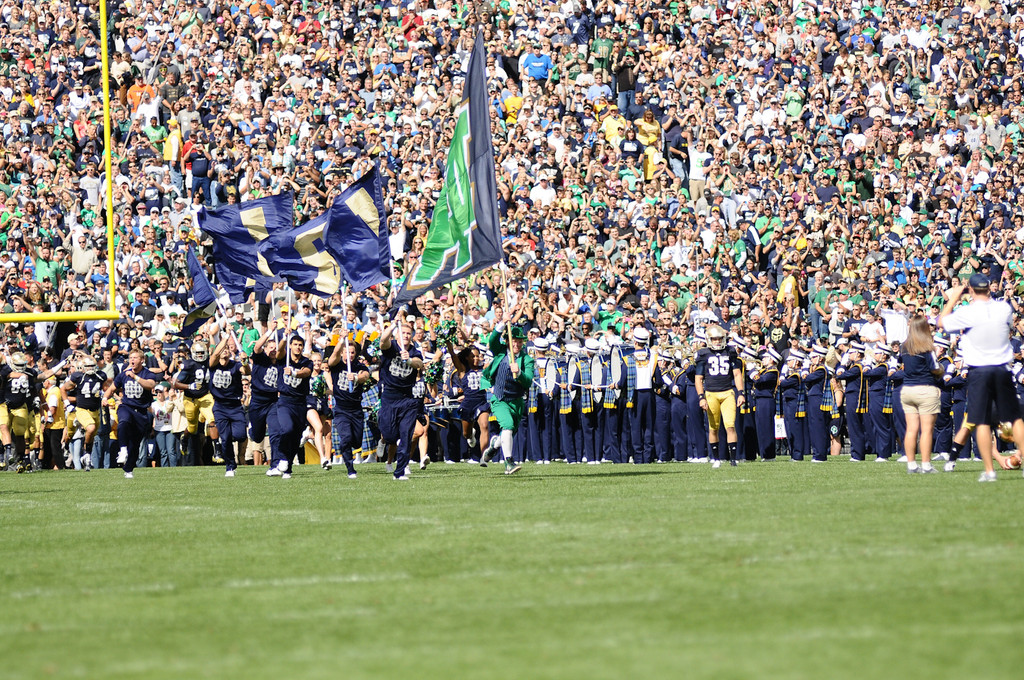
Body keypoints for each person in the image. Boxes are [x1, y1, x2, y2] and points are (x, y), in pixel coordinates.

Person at [939, 274, 1024, 482]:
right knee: (1015, 419)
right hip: (1003, 368)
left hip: (979, 370)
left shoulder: (967, 311)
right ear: (988, 288)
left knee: (982, 422)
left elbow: (941, 322)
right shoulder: (1004, 308)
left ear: (971, 290)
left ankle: (989, 471)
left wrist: (955, 296)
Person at [479, 320, 535, 475]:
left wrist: (520, 373)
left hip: (517, 402)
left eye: (519, 342)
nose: (516, 344)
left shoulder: (527, 360)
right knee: (508, 425)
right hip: (499, 399)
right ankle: (509, 463)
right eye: (514, 341)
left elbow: (528, 381)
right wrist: (502, 323)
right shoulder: (501, 352)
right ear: (508, 341)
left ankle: (494, 445)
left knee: (508, 432)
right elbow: (492, 340)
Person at [377, 320, 424, 481]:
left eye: (408, 333)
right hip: (390, 397)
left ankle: (400, 472)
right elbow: (383, 341)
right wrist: (392, 326)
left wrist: (409, 360)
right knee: (390, 436)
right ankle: (384, 438)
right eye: (402, 333)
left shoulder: (414, 351)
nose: (405, 335)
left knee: (406, 436)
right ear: (396, 335)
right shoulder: (391, 348)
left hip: (407, 399)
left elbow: (419, 363)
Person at [103, 349, 160, 479]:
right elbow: (112, 388)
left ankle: (128, 469)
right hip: (126, 406)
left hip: (141, 411)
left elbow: (150, 385)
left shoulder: (147, 373)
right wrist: (105, 398)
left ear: (142, 360)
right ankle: (122, 450)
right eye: (131, 358)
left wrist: (135, 377)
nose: (132, 360)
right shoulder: (123, 374)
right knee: (123, 422)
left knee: (135, 444)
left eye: (135, 358)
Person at [695, 325, 745, 467]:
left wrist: (741, 393)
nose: (717, 341)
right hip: (711, 393)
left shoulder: (730, 351)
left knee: (730, 426)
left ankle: (733, 459)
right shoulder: (703, 354)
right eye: (714, 339)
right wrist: (701, 397)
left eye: (719, 338)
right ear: (709, 339)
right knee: (713, 428)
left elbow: (736, 374)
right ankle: (716, 459)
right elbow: (698, 378)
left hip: (728, 392)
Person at [899, 315, 943, 474]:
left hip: (907, 390)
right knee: (926, 430)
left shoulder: (904, 347)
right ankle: (926, 465)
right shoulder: (927, 347)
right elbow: (935, 368)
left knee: (911, 429)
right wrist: (942, 371)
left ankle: (911, 465)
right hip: (925, 389)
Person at [267, 334, 313, 479]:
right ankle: (281, 457)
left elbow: (306, 373)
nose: (298, 347)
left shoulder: (306, 362)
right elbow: (279, 351)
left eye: (300, 345)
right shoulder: (283, 359)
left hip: (300, 402)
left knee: (295, 437)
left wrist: (294, 372)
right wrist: (284, 338)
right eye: (295, 344)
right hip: (285, 401)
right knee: (287, 429)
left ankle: (288, 468)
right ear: (291, 346)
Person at [327, 337, 370, 479]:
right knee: (345, 438)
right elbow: (332, 358)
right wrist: (341, 340)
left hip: (356, 409)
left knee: (356, 441)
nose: (349, 355)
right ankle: (350, 468)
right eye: (347, 352)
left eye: (352, 352)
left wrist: (356, 378)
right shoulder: (336, 365)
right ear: (342, 353)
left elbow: (366, 376)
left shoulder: (359, 366)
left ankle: (353, 450)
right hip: (341, 410)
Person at [172, 340, 218, 466]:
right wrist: (188, 386)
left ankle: (217, 450)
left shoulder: (209, 362)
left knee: (212, 419)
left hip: (205, 396)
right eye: (197, 353)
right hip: (190, 399)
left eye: (202, 353)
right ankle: (184, 438)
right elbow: (174, 383)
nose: (199, 355)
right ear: (192, 353)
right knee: (192, 428)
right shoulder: (188, 364)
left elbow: (217, 354)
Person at [209, 335, 249, 478]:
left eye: (227, 349)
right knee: (225, 439)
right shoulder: (213, 364)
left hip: (235, 406)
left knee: (240, 435)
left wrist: (245, 362)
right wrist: (226, 337)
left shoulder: (235, 365)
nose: (225, 350)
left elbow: (247, 372)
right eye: (223, 349)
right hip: (220, 406)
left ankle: (230, 436)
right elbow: (214, 354)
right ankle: (230, 466)